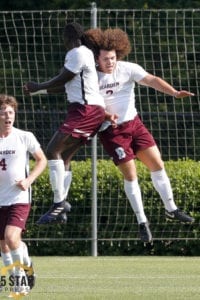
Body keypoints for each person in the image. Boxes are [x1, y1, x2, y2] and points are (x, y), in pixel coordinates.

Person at [85, 27, 195, 243]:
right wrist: (106, 116)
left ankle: (171, 208)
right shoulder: (90, 78)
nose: (110, 62)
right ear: (96, 58)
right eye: (106, 59)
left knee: (158, 164)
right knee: (131, 175)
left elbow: (152, 80)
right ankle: (142, 222)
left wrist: (173, 92)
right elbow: (89, 107)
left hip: (135, 125)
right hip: (112, 132)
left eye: (113, 58)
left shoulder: (127, 69)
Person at [23, 22, 110, 225]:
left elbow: (63, 78)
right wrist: (39, 91)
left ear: (70, 37)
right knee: (64, 156)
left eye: (63, 38)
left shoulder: (77, 52)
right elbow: (67, 86)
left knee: (52, 150)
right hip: (89, 111)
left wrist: (38, 85)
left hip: (85, 111)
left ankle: (58, 203)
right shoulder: (84, 54)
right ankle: (61, 207)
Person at [0, 94, 47, 295]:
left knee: (11, 237)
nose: (7, 117)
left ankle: (20, 280)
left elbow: (42, 160)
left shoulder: (24, 136)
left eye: (10, 112)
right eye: (3, 113)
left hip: (18, 198)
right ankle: (25, 268)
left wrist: (28, 181)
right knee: (4, 244)